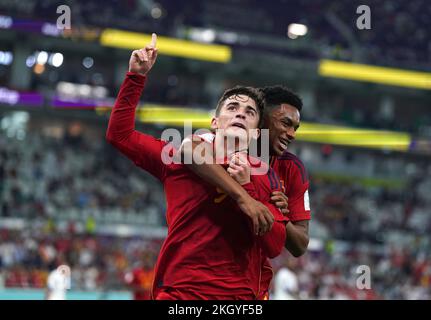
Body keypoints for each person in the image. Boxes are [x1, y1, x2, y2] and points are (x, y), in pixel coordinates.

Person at [106, 33, 288, 300]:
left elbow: (274, 246)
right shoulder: (177, 158)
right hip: (180, 295)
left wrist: (250, 188)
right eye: (233, 107)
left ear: (255, 134)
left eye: (250, 113)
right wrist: (136, 77)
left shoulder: (265, 177)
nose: (240, 113)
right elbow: (119, 135)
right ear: (215, 122)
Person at [180, 85, 311, 299]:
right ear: (261, 121)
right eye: (286, 124)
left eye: (295, 127)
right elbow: (187, 148)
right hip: (196, 283)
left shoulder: (292, 169)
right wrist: (247, 197)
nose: (292, 134)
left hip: (250, 289)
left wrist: (276, 214)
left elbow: (300, 244)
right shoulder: (221, 145)